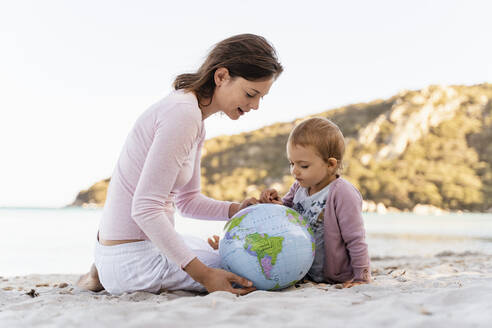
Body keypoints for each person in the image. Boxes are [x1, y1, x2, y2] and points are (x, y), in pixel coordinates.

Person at [76, 34, 283, 296]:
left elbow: (187, 201)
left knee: (217, 251)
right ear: (221, 77)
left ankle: (102, 271)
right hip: (134, 260)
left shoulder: (192, 113)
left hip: (124, 249)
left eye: (261, 98)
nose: (255, 105)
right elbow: (145, 209)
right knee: (251, 270)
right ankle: (109, 273)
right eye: (251, 94)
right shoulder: (182, 114)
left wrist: (237, 209)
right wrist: (206, 276)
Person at [208, 117, 371, 287]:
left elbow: (356, 239)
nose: (294, 171)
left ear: (330, 164)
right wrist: (272, 202)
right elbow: (284, 216)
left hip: (332, 276)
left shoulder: (342, 193)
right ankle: (232, 248)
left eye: (303, 166)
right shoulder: (299, 188)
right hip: (302, 273)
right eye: (292, 163)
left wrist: (362, 278)